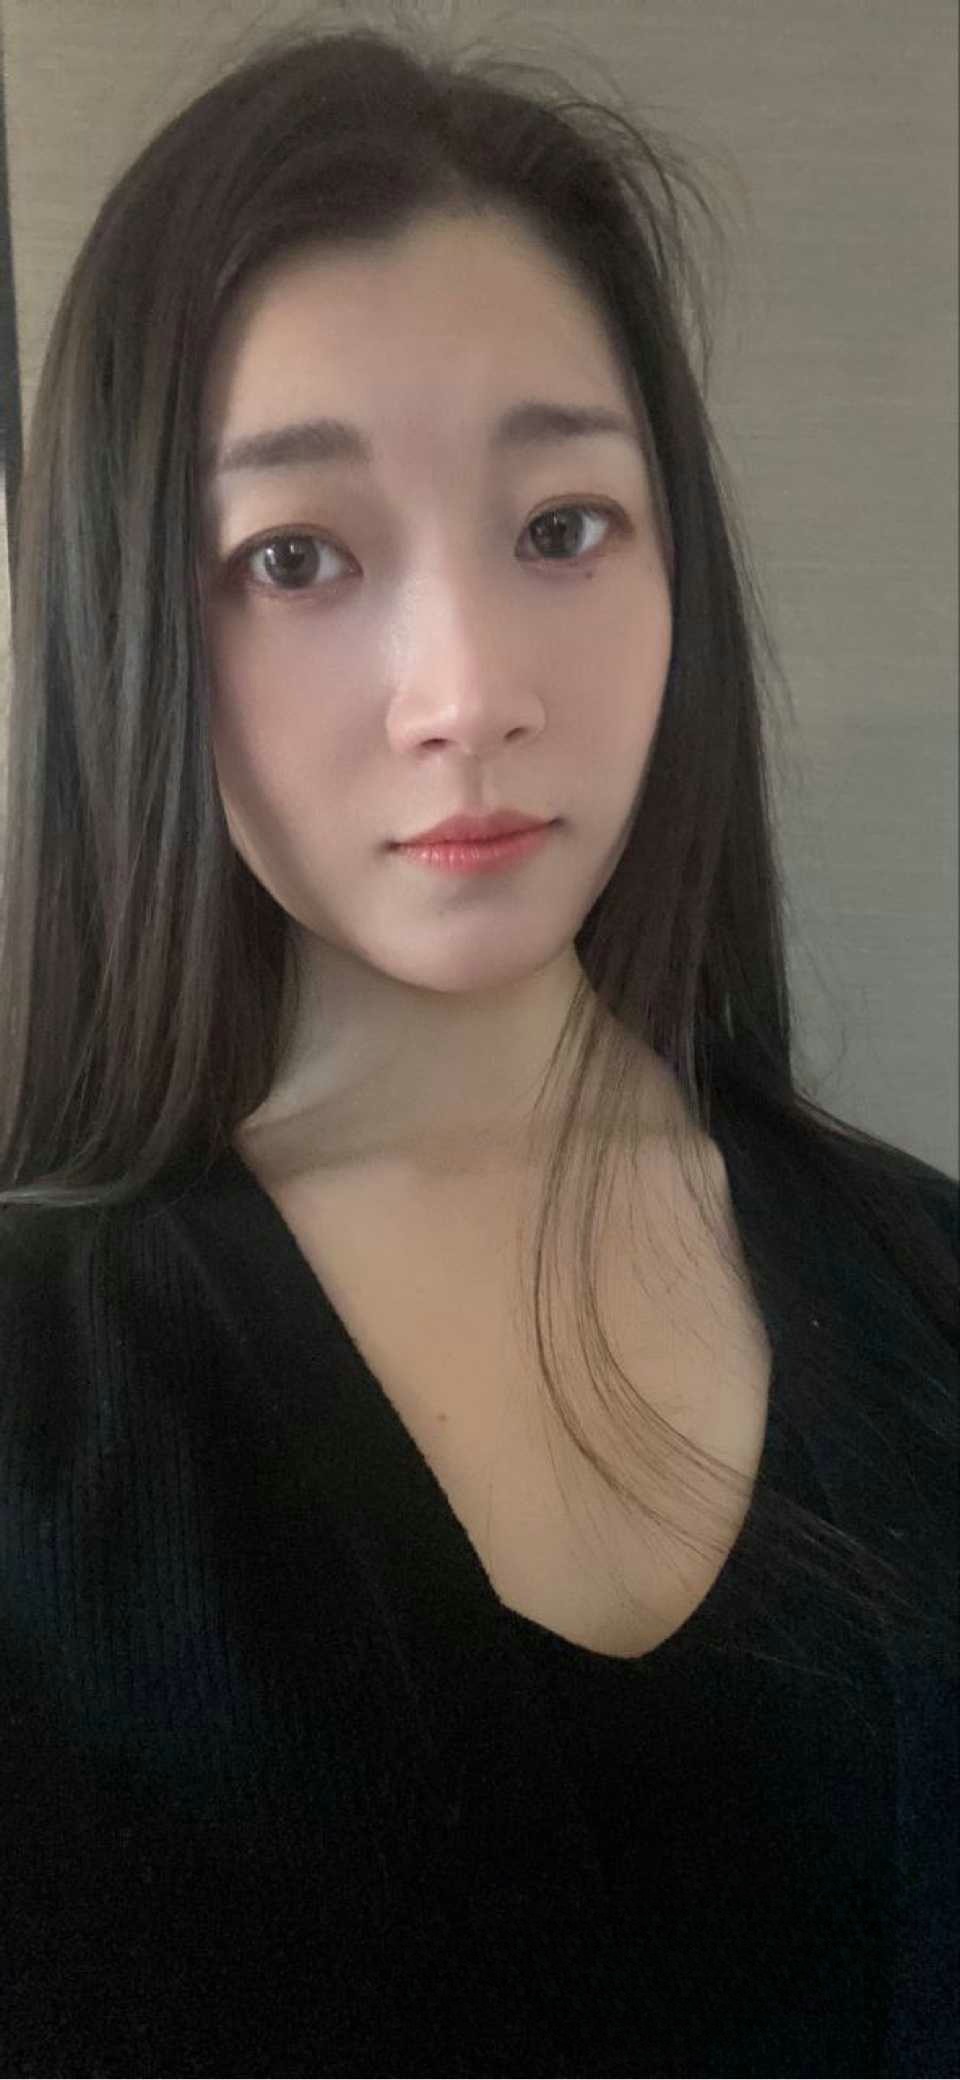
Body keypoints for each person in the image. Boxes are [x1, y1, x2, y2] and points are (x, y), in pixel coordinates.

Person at [0, 21, 955, 2079]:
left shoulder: (931, 1288)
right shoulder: (44, 1404)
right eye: (296, 556)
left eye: (562, 526)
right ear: (133, 626)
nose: (467, 692)